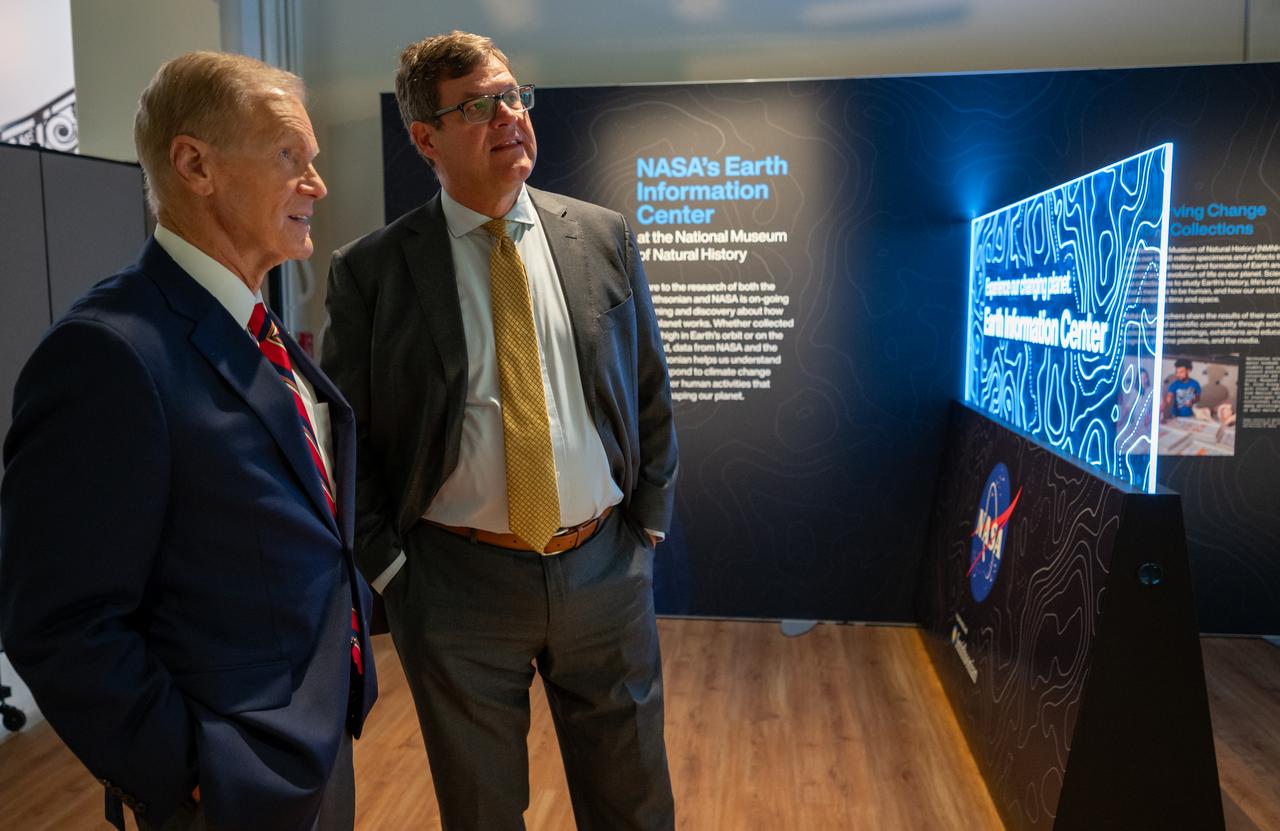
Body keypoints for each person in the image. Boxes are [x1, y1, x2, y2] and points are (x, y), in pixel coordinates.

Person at [0, 52, 377, 831]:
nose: (316, 184)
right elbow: (57, 620)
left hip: (312, 742)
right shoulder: (107, 353)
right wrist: (189, 774)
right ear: (195, 165)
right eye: (289, 156)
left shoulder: (252, 322)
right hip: (230, 780)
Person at [321, 30, 678, 831]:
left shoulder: (602, 236)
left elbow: (648, 387)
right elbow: (353, 436)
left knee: (635, 803)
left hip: (604, 569)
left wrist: (647, 521)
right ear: (426, 139)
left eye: (514, 96)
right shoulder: (373, 271)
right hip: (455, 587)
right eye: (479, 106)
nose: (510, 116)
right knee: (481, 812)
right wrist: (392, 570)